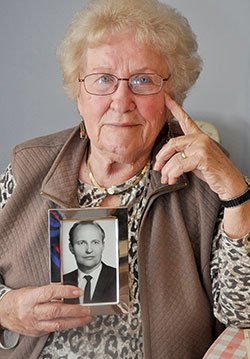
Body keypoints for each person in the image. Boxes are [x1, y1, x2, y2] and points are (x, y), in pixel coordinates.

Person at [0, 0, 249, 358]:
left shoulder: (205, 178)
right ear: (79, 91)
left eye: (142, 80)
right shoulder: (27, 166)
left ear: (171, 94)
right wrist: (6, 309)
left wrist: (237, 195)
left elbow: (242, 312)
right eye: (103, 79)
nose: (121, 100)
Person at [63, 221, 117, 304]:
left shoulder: (117, 277)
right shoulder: (63, 281)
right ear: (71, 248)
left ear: (103, 245)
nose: (89, 250)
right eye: (81, 243)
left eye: (95, 242)